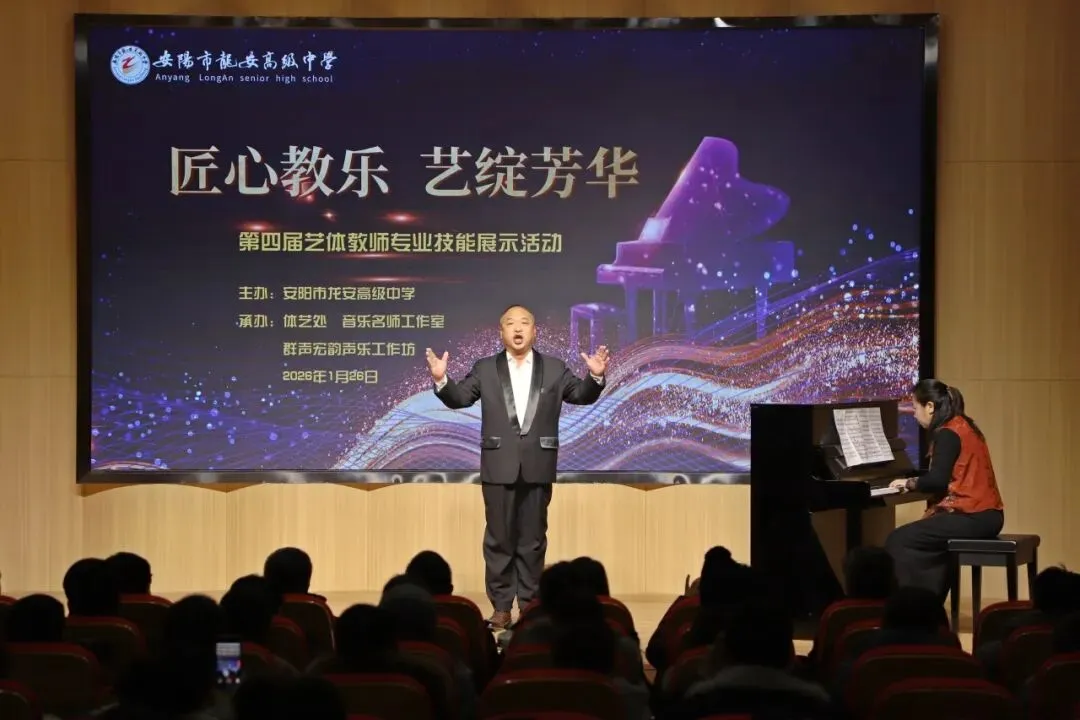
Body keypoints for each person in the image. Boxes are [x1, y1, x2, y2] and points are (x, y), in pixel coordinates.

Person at [425, 304, 609, 629]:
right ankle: (500, 607)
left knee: (533, 540)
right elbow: (461, 398)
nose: (518, 328)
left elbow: (581, 395)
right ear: (502, 332)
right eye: (510, 323)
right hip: (498, 465)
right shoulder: (485, 368)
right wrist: (441, 380)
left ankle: (530, 606)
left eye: (524, 322)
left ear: (535, 331)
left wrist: (595, 376)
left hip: (538, 464)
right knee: (498, 539)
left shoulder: (554, 368)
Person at [885, 380, 1005, 598]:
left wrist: (910, 483)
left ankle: (915, 603)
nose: (914, 414)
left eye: (915, 407)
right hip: (987, 514)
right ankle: (929, 601)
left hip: (972, 515)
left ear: (930, 406)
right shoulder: (963, 425)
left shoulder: (948, 433)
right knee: (927, 538)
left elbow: (937, 481)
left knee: (898, 540)